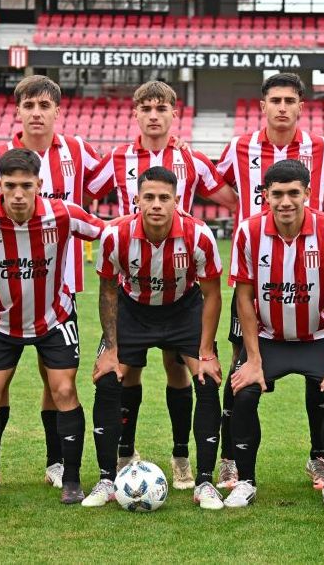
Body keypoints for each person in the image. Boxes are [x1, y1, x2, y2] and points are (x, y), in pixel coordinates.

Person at [85, 81, 237, 488]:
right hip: (131, 281)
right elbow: (78, 196)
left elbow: (234, 200)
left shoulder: (191, 159)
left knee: (178, 369)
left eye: (161, 108)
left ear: (174, 114)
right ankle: (124, 453)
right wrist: (110, 234)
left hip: (180, 283)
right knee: (126, 373)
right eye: (146, 108)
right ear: (135, 113)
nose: (154, 115)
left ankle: (181, 456)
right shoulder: (117, 159)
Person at [215, 72, 324, 491]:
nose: (281, 107)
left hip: (307, 264)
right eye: (274, 100)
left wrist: (304, 210)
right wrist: (246, 211)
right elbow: (217, 186)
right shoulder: (240, 147)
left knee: (320, 379)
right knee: (240, 372)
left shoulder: (319, 148)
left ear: (300, 106)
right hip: (256, 270)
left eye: (289, 100)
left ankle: (319, 457)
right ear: (262, 105)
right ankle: (229, 461)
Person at [0, 75, 101, 493]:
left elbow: (113, 185)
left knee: (57, 384)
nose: (37, 112)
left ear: (57, 111)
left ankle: (61, 466)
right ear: (18, 110)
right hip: (5, 298)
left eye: (45, 105)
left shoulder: (76, 152)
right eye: (29, 105)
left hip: (57, 292)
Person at [85, 166, 225, 510]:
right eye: (149, 197)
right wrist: (111, 348)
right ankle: (110, 474)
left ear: (176, 201)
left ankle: (201, 478)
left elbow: (213, 295)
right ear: (137, 200)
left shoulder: (199, 235)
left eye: (165, 198)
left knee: (206, 379)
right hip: (133, 308)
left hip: (183, 307)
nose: (157, 204)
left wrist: (206, 350)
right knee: (110, 377)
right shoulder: (115, 235)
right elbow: (107, 291)